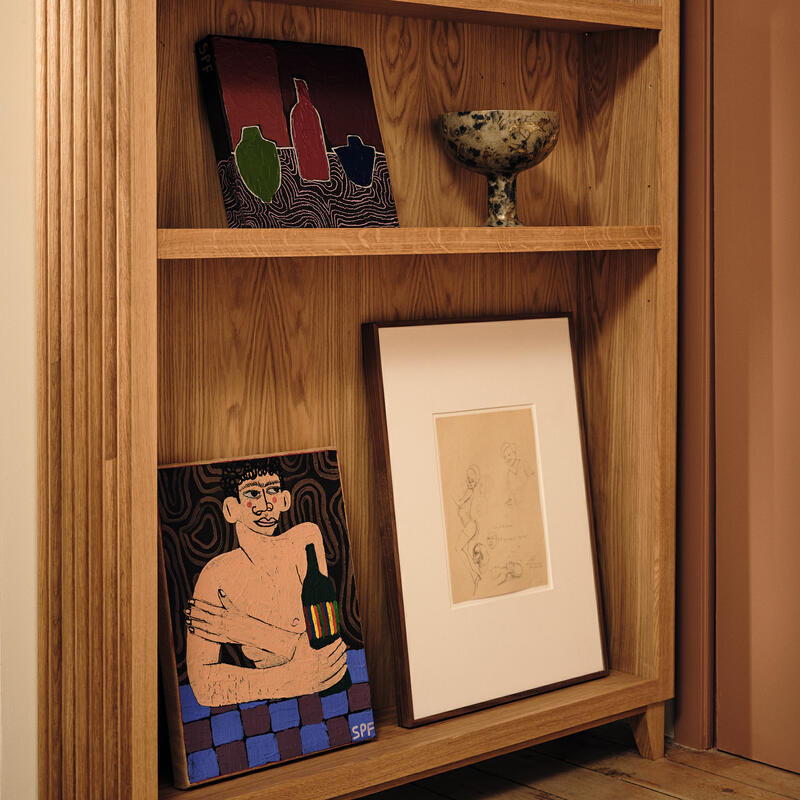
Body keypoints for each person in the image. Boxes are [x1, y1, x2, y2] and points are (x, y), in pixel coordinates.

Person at [184, 457, 347, 707]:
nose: (264, 506)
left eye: (271, 490)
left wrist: (244, 629)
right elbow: (204, 687)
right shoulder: (215, 575)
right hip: (267, 707)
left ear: (284, 500)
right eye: (251, 493)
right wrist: (293, 677)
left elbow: (324, 647)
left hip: (328, 699)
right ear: (231, 509)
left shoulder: (305, 540)